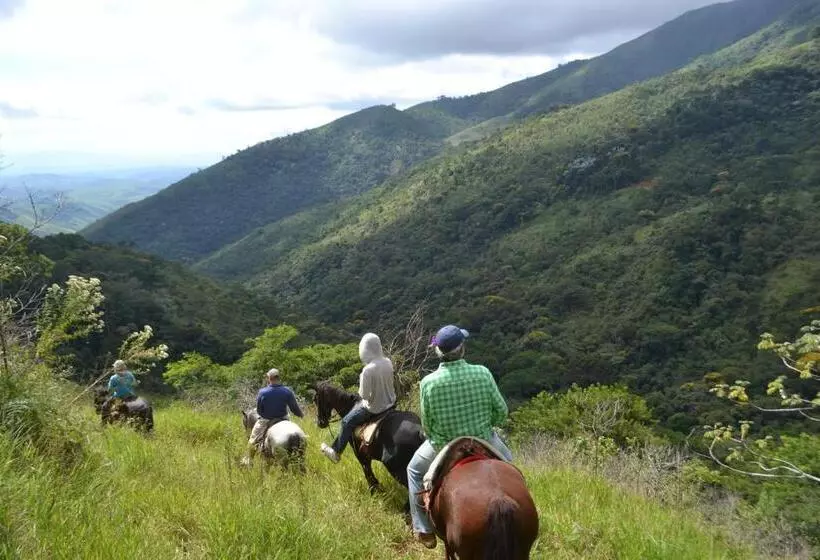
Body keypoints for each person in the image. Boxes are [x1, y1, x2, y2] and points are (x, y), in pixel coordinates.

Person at [406, 325, 513, 549]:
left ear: (439, 352)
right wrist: (485, 424)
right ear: (462, 348)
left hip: (445, 444)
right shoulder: (482, 372)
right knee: (512, 469)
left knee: (414, 470)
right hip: (483, 439)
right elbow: (502, 412)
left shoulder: (428, 383)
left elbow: (428, 424)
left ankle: (424, 529)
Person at [320, 332, 396, 463]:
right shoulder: (387, 361)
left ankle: (336, 451)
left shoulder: (368, 370)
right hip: (390, 403)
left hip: (374, 408)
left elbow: (364, 396)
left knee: (346, 422)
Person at [246, 368, 304, 462]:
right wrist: (301, 415)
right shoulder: (287, 391)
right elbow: (294, 409)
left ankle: (249, 460)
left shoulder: (263, 392)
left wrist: (265, 414)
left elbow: (259, 410)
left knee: (252, 439)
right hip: (283, 419)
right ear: (278, 377)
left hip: (266, 420)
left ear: (269, 378)